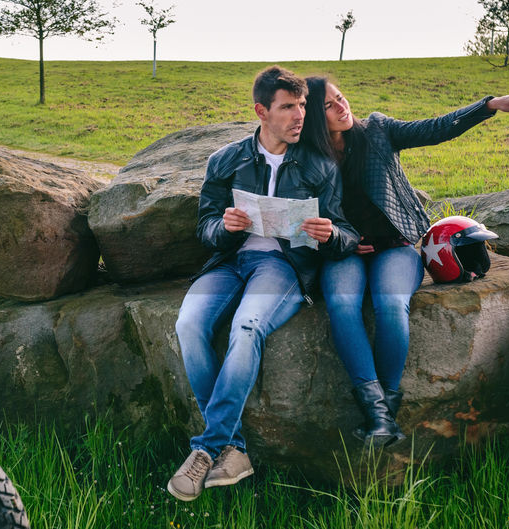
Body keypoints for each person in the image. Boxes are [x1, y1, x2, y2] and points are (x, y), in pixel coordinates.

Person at [298, 76, 509, 446]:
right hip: (342, 252)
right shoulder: (307, 157)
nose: (341, 107)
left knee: (391, 304)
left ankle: (385, 410)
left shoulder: (378, 130)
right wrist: (337, 241)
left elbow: (435, 128)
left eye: (341, 98)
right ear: (314, 117)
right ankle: (379, 415)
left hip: (394, 248)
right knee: (343, 305)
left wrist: (489, 105)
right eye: (329, 106)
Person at [167, 66, 358, 502]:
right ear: (261, 111)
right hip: (229, 262)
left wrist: (330, 235)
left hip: (281, 268)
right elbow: (206, 227)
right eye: (288, 107)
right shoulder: (226, 160)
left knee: (247, 327)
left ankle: (207, 450)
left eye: (303, 106)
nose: (299, 116)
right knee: (189, 325)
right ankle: (234, 450)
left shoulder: (318, 165)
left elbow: (347, 234)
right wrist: (225, 227)